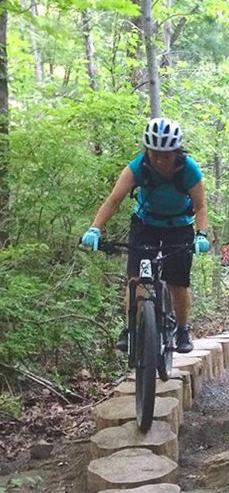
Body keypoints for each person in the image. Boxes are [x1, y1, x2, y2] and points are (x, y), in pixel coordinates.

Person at [80, 117, 209, 353]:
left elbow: (200, 206)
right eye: (154, 153)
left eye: (166, 154)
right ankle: (131, 328)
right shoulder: (137, 167)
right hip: (145, 224)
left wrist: (201, 234)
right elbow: (114, 200)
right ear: (147, 150)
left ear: (176, 151)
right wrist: (94, 228)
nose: (160, 159)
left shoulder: (189, 169)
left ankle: (182, 329)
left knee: (178, 283)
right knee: (135, 279)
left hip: (179, 226)